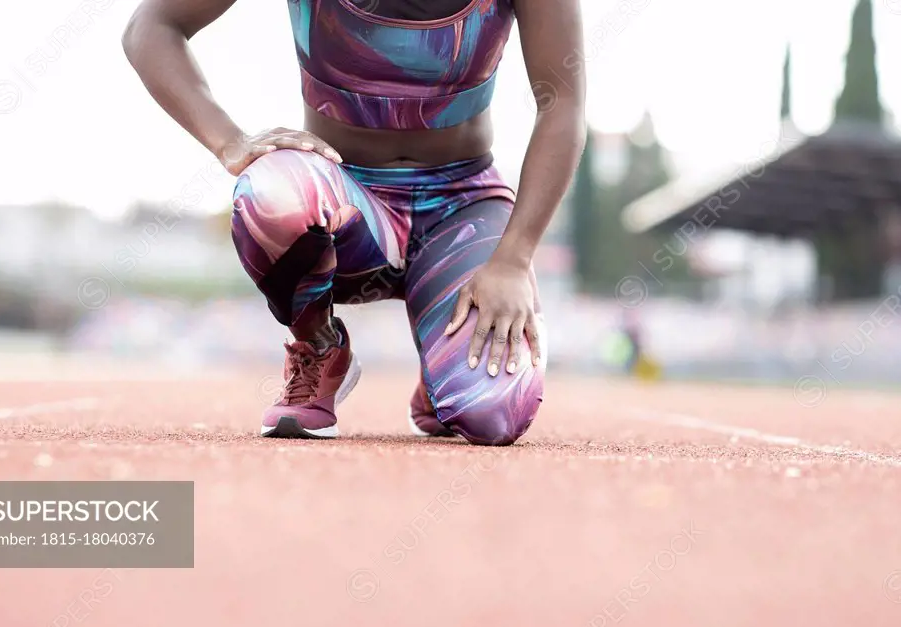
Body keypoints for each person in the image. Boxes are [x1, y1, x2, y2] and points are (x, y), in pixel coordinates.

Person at [122, 0, 586, 445]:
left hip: (462, 207)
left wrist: (513, 258)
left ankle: (442, 372)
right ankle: (320, 347)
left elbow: (563, 102)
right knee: (270, 191)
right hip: (346, 199)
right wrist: (228, 141)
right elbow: (151, 26)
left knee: (492, 415)